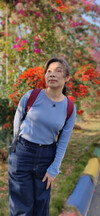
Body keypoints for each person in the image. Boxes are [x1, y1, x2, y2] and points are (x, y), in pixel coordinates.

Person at [8, 57, 76, 216]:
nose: (52, 74)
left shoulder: (69, 108)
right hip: (22, 153)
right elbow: (17, 120)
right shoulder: (32, 95)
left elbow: (63, 142)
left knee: (41, 207)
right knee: (21, 208)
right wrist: (16, 147)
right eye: (49, 71)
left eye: (58, 71)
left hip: (46, 157)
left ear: (67, 78)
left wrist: (54, 169)